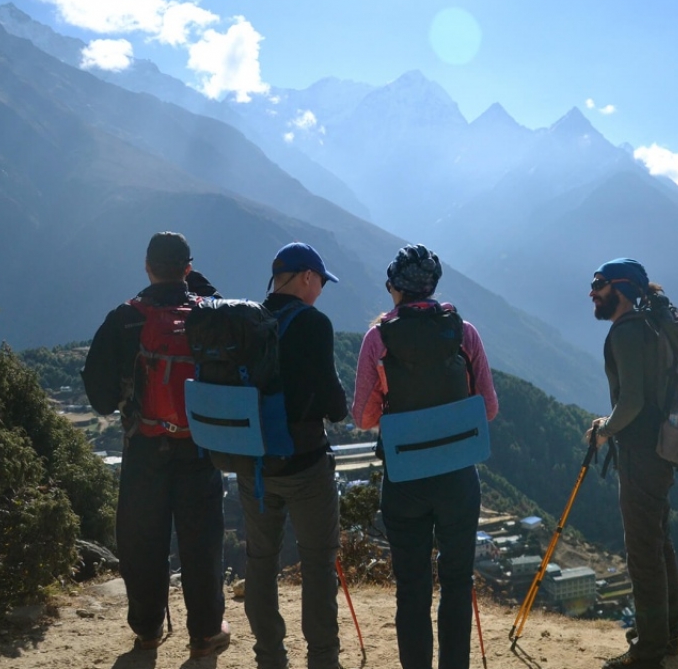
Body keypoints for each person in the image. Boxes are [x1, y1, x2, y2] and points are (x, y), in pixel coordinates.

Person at [81, 232, 229, 658]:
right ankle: (205, 633)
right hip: (199, 447)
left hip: (144, 447)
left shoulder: (125, 318)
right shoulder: (208, 314)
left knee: (142, 539)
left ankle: (147, 630)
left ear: (147, 267)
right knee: (201, 542)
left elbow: (100, 396)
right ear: (188, 268)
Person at [351, 244, 499, 669]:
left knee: (412, 587)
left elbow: (363, 417)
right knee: (457, 582)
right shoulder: (464, 333)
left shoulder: (378, 339)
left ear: (394, 289)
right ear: (432, 288)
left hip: (405, 478)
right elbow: (488, 408)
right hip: (458, 477)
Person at [239, 242, 349, 669]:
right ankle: (322, 659)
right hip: (305, 464)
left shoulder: (247, 320)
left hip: (254, 466)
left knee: (261, 561)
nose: (320, 290)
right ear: (306, 277)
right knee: (317, 563)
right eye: (321, 282)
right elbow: (334, 404)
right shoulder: (313, 323)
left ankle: (269, 657)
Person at [584, 258, 678, 669]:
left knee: (643, 551)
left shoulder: (625, 332)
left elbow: (632, 400)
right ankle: (667, 640)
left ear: (620, 289)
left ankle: (647, 651)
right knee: (659, 544)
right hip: (663, 448)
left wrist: (605, 430)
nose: (592, 292)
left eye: (600, 284)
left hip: (641, 453)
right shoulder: (649, 324)